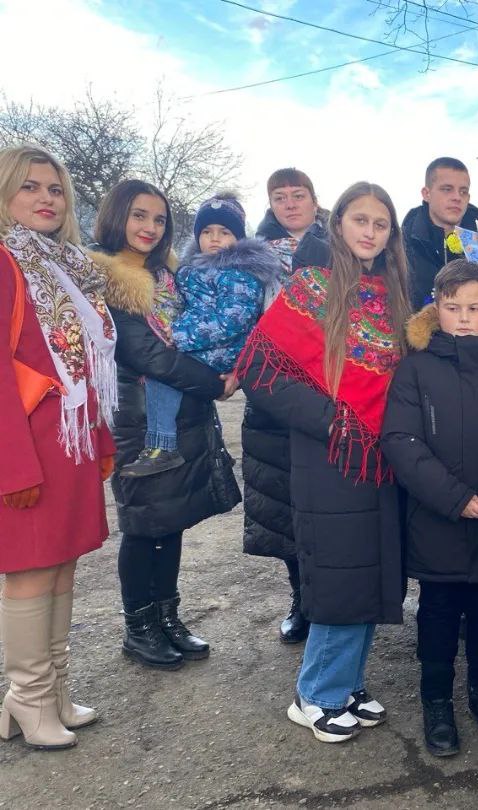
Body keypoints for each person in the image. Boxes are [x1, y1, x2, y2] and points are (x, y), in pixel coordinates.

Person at [237, 181, 409, 744]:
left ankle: (346, 684)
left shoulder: (394, 295)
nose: (369, 232)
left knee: (370, 571)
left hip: (380, 458)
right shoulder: (311, 288)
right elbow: (259, 368)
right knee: (340, 573)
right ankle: (316, 694)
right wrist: (332, 420)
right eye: (360, 220)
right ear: (338, 225)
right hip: (331, 454)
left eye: (380, 224)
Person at [382, 259, 478, 758]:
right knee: (439, 614)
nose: (464, 318)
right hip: (438, 517)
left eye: (474, 308)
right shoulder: (416, 367)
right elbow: (401, 440)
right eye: (453, 308)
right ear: (436, 308)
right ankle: (437, 702)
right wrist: (456, 499)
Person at [91, 179, 241, 671]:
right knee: (143, 525)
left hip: (179, 417)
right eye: (139, 215)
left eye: (159, 219)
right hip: (137, 421)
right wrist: (213, 383)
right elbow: (147, 354)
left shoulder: (168, 274)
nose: (150, 227)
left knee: (170, 522)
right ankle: (139, 627)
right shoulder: (108, 275)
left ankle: (166, 617)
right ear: (117, 215)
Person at [0, 145, 116, 749]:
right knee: (30, 571)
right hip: (27, 446)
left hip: (68, 441)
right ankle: (29, 696)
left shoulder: (66, 264)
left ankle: (54, 691)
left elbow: (88, 367)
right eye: (29, 186)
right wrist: (12, 465)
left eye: (54, 188)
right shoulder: (4, 261)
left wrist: (99, 436)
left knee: (62, 564)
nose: (46, 198)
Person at [119, 192, 279, 478]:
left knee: (165, 376)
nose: (214, 238)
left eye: (224, 232)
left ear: (238, 238)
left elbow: (233, 320)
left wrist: (181, 335)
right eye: (206, 232)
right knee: (172, 381)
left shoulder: (238, 273)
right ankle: (191, 447)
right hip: (204, 340)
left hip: (224, 346)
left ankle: (162, 445)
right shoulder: (193, 269)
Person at [248, 167, 330, 644]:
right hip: (272, 386)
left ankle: (326, 597)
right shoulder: (254, 254)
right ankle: (300, 598)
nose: (290, 204)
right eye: (280, 197)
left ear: (315, 200)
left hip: (324, 384)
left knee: (324, 503)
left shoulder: (338, 244)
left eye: (298, 195)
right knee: (283, 502)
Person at [402, 157, 478, 310]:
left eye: (463, 191)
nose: (457, 197)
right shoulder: (402, 245)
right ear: (426, 194)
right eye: (447, 189)